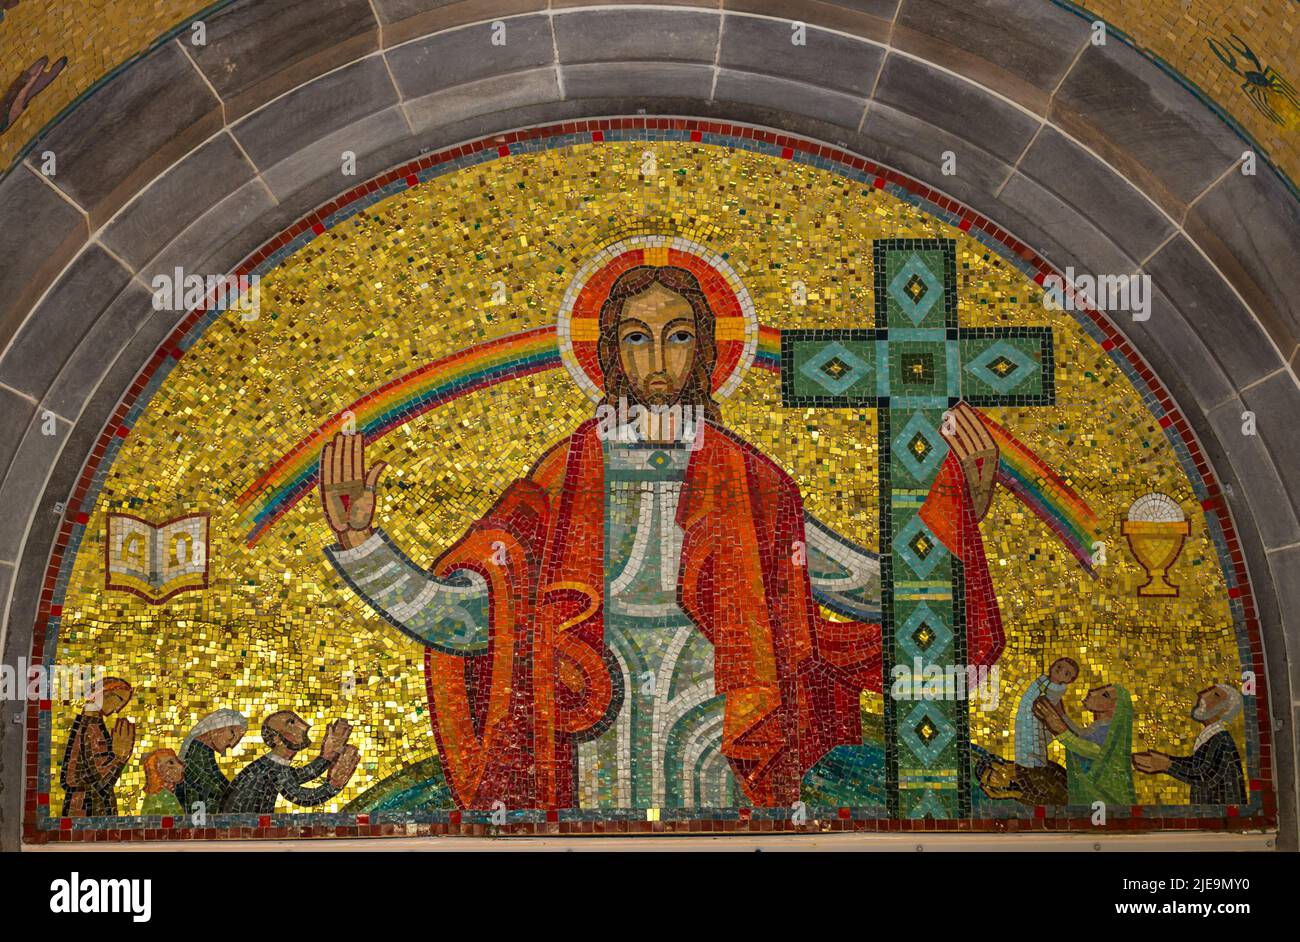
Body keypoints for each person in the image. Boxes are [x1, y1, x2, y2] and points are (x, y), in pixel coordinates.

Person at [321, 263, 1010, 809]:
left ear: (704, 351)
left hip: (718, 716)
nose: (658, 357)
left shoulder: (751, 480)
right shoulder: (563, 478)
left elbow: (861, 585)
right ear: (611, 353)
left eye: (678, 335)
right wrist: (362, 545)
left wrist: (958, 519)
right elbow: (478, 616)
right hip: (597, 723)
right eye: (637, 336)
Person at [221, 711, 358, 814]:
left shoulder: (270, 765)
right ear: (276, 738)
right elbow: (303, 797)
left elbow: (296, 777)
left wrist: (326, 757)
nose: (305, 726)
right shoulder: (273, 769)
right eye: (292, 723)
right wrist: (335, 784)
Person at [1133, 683, 1246, 804]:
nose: (1202, 695)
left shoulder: (1222, 740)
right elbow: (1196, 765)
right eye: (1209, 691)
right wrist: (1166, 759)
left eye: (1215, 695)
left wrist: (1167, 765)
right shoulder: (1211, 735)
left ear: (1224, 710)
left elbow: (1205, 775)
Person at [1035, 683, 1136, 806]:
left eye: (1105, 695)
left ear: (1116, 707)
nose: (1092, 693)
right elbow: (1082, 736)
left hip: (1105, 797)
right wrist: (1062, 716)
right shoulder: (1099, 726)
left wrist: (1061, 730)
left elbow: (1097, 752)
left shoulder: (1111, 731)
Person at [59, 677, 136, 816]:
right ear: (104, 693)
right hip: (88, 806)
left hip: (86, 802)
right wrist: (120, 756)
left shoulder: (88, 723)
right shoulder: (92, 727)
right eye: (119, 700)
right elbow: (101, 777)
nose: (118, 709)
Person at [176, 709, 247, 814]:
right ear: (216, 726)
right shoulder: (195, 755)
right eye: (232, 732)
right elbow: (212, 786)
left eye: (238, 739)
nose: (232, 744)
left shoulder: (204, 754)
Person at [140, 749, 186, 816]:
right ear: (158, 770)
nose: (180, 767)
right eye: (171, 763)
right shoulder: (159, 798)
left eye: (177, 761)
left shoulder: (175, 792)